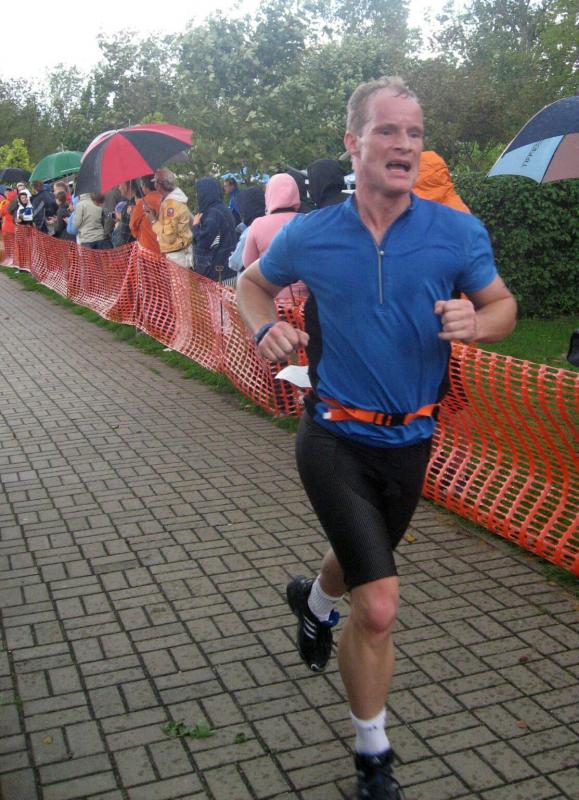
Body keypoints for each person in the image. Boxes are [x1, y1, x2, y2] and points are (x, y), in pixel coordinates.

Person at [237, 76, 517, 800]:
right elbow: (251, 284)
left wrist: (478, 323)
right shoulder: (311, 233)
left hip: (411, 441)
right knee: (382, 602)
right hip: (332, 434)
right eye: (387, 130)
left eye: (414, 133)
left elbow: (502, 306)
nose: (403, 144)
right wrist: (264, 329)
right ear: (352, 143)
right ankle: (372, 755)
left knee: (361, 561)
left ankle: (313, 604)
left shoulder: (455, 232)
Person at [242, 173, 301, 269]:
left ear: (269, 194)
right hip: (304, 278)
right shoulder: (307, 220)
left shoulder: (258, 224)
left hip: (269, 278)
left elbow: (248, 263)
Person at [192, 177, 237, 281]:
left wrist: (195, 226)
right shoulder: (223, 209)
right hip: (229, 269)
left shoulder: (213, 215)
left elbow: (204, 242)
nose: (197, 195)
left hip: (219, 274)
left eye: (198, 192)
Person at [148, 168, 193, 268]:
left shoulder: (171, 205)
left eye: (155, 182)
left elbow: (169, 237)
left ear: (158, 184)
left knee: (179, 280)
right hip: (181, 252)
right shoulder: (175, 200)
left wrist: (154, 221)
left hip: (177, 256)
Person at [228, 187, 266, 274]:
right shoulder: (272, 223)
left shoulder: (249, 232)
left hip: (250, 278)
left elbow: (234, 263)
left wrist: (233, 255)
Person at [129, 175, 162, 254]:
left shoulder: (142, 203)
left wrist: (131, 214)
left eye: (142, 185)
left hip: (148, 249)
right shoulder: (167, 199)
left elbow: (132, 226)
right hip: (167, 249)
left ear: (145, 186)